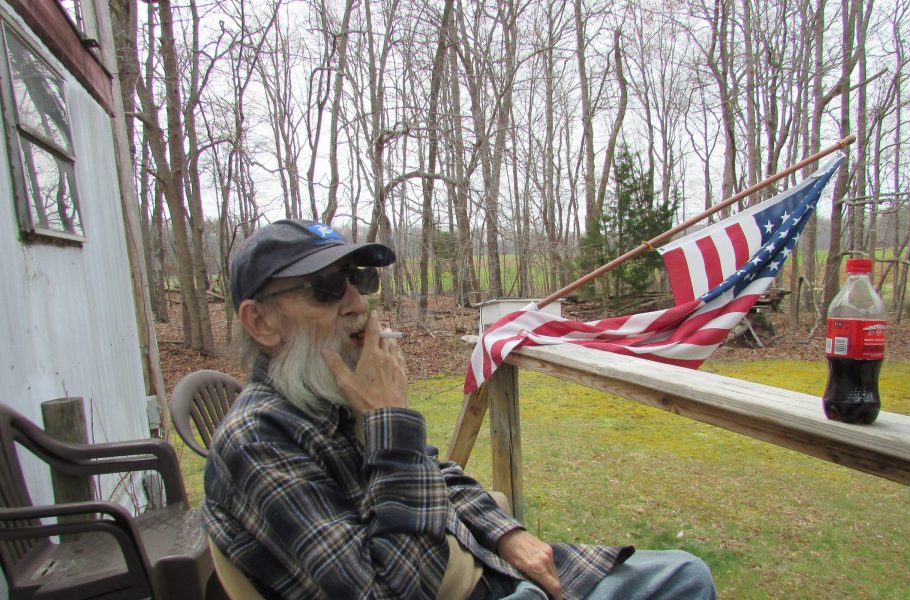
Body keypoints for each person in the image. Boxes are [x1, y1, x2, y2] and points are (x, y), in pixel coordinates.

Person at [203, 219, 716, 600]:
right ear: (261, 322)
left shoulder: (327, 396)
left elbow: (436, 474)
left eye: (359, 280)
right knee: (684, 584)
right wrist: (389, 425)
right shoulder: (258, 442)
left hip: (487, 564)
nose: (358, 304)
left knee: (683, 573)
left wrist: (506, 532)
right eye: (326, 288)